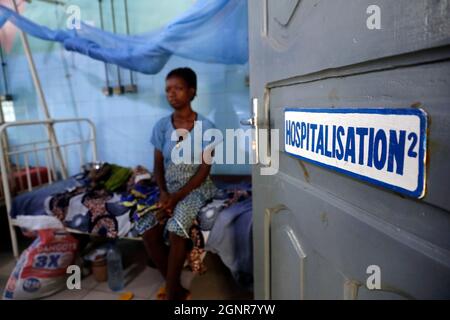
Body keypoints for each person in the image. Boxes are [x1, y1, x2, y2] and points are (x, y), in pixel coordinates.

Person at [143, 67, 218, 300]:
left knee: (176, 229)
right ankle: (173, 284)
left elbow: (204, 170)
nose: (171, 94)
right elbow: (157, 165)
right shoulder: (162, 126)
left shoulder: (207, 127)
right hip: (170, 191)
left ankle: (173, 292)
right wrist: (164, 192)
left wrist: (176, 198)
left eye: (178, 88)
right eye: (168, 89)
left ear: (191, 91)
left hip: (197, 188)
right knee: (148, 229)